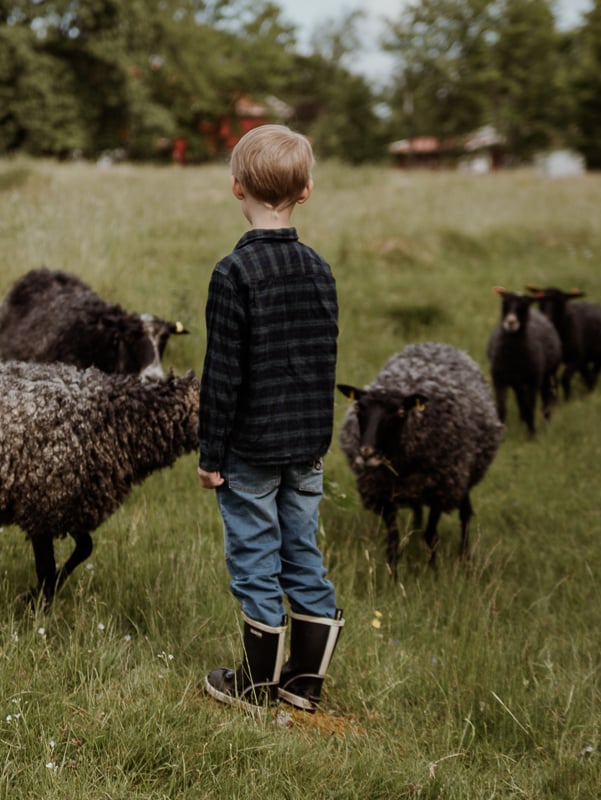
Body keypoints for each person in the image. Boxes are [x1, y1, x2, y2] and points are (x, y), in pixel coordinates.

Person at [197, 124, 344, 713]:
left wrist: (211, 455)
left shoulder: (233, 273)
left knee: (256, 558)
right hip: (307, 446)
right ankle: (304, 685)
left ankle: (256, 688)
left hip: (251, 450)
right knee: (302, 552)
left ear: (237, 187)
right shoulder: (319, 269)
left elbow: (222, 376)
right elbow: (321, 360)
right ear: (305, 191)